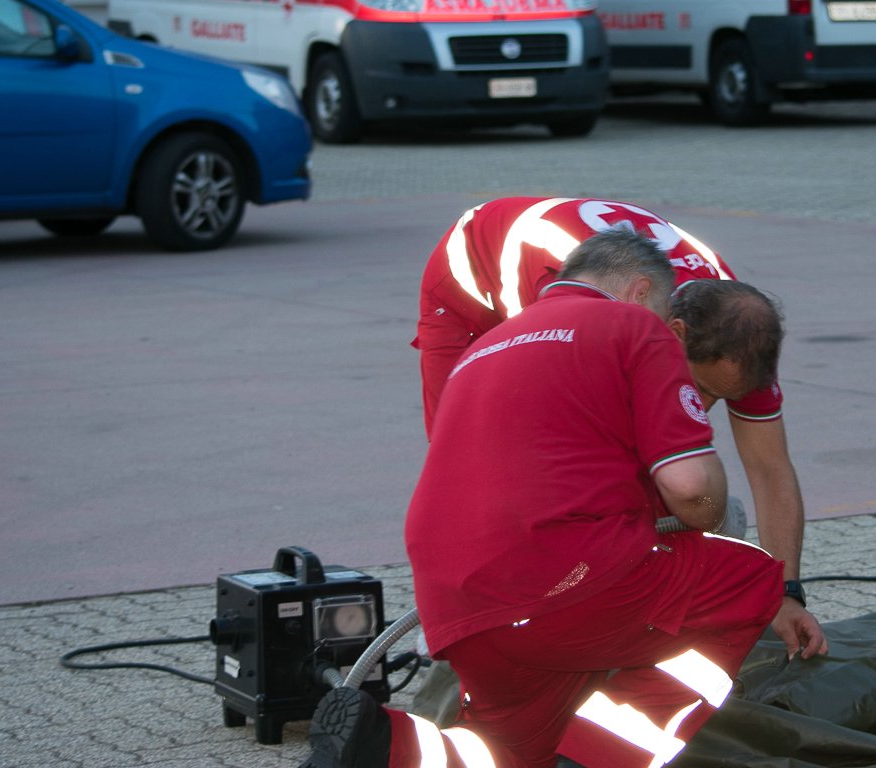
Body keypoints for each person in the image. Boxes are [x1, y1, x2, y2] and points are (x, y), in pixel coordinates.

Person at [304, 229, 784, 768]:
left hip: (456, 601)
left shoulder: (488, 344)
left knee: (504, 753)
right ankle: (601, 758)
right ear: (640, 290)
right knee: (751, 578)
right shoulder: (635, 326)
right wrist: (717, 514)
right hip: (559, 582)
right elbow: (692, 490)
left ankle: (384, 745)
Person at [415, 196, 827, 658]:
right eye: (700, 389)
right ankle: (466, 613)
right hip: (473, 278)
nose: (705, 407)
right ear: (672, 335)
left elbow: (771, 468)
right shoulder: (589, 307)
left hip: (605, 264)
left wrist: (786, 591)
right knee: (470, 456)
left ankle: (627, 592)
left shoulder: (739, 328)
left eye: (720, 397)